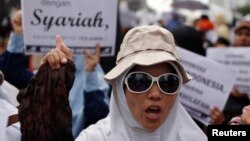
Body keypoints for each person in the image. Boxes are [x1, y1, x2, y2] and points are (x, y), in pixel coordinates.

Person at [42, 25, 207, 141]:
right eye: (140, 81)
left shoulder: (195, 138)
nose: (155, 94)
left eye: (168, 82)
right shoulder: (95, 138)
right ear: (121, 89)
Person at [0, 10, 110, 138]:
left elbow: (99, 119)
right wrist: (18, 35)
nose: (64, 48)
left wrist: (91, 72)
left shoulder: (96, 80)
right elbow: (11, 73)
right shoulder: (46, 78)